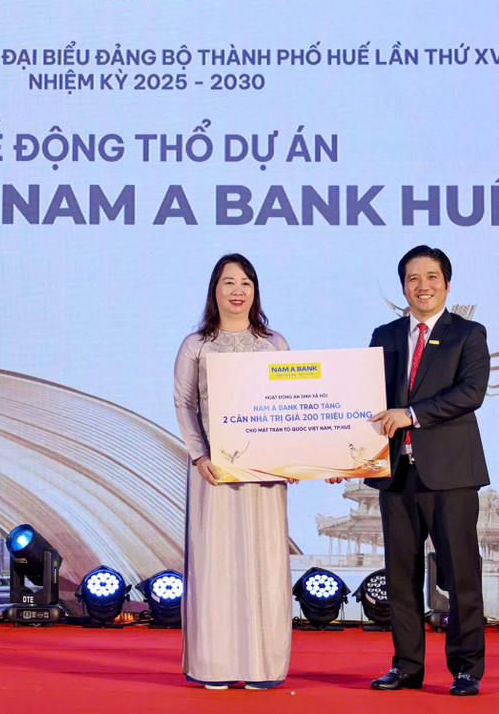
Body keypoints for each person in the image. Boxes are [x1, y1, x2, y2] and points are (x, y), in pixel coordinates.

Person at [366, 245, 490, 696]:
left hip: (451, 475)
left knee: (460, 577)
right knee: (401, 577)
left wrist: (412, 415)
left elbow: (471, 392)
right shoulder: (384, 335)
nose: (423, 286)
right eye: (413, 278)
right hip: (396, 474)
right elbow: (365, 399)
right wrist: (345, 455)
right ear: (403, 287)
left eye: (432, 277)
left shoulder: (468, 334)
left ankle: (466, 669)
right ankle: (406, 666)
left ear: (447, 284)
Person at [173, 253, 294, 691]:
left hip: (265, 474)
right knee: (217, 564)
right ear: (215, 290)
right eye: (228, 282)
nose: (237, 290)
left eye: (245, 282)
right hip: (214, 472)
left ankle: (263, 665)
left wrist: (295, 458)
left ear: (255, 290)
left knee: (264, 563)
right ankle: (215, 664)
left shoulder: (274, 344)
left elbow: (291, 404)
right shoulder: (197, 345)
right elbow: (185, 403)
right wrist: (199, 456)